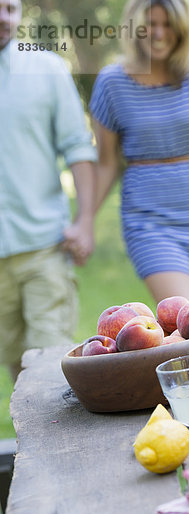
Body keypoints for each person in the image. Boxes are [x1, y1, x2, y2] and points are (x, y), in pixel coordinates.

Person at [89, 0, 189, 306]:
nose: (159, 33)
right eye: (150, 24)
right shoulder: (111, 83)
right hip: (148, 219)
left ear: (181, 28)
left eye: (168, 24)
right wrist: (84, 221)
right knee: (186, 317)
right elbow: (107, 165)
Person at [0, 0, 97, 382]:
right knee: (17, 371)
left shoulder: (47, 69)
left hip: (43, 248)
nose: (2, 18)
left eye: (9, 8)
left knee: (48, 370)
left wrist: (85, 222)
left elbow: (78, 146)